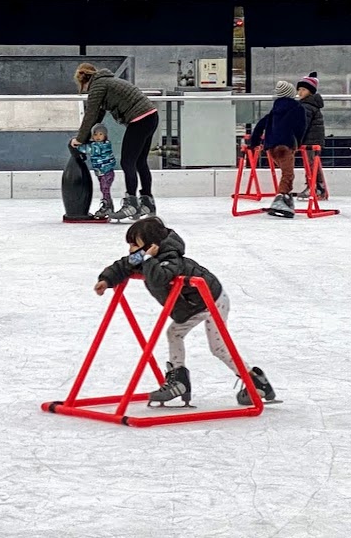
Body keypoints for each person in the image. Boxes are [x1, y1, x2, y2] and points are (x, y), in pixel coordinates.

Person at [93, 217, 275, 407]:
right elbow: (124, 265)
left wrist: (147, 259)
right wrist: (107, 280)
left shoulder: (171, 258)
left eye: (134, 244)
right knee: (174, 333)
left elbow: (158, 278)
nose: (130, 249)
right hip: (191, 306)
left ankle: (255, 380)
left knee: (218, 348)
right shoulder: (145, 257)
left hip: (212, 301)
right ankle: (179, 379)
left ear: (151, 246)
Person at [71, 63, 158, 221]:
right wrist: (88, 135)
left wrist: (79, 139)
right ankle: (147, 202)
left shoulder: (97, 86)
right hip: (151, 116)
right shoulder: (107, 82)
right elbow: (98, 114)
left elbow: (90, 114)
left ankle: (131, 204)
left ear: (84, 80)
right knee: (140, 162)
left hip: (139, 119)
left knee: (127, 162)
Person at [248, 80, 308, 218]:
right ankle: (281, 199)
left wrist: (254, 143)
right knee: (288, 174)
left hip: (271, 147)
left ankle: (286, 198)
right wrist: (298, 143)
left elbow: (259, 126)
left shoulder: (274, 110)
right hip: (286, 145)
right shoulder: (297, 108)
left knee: (285, 172)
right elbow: (300, 127)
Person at [296, 71, 328, 200]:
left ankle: (314, 186)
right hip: (313, 140)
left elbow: (303, 125)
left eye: (303, 89)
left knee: (310, 165)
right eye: (299, 89)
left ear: (310, 91)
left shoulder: (306, 106)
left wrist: (297, 139)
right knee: (313, 164)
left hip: (310, 141)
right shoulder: (310, 105)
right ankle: (318, 186)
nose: (300, 92)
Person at [78, 122, 117, 219]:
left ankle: (107, 206)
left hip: (106, 171)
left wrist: (77, 145)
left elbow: (88, 149)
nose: (98, 137)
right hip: (101, 171)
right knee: (104, 189)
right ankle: (109, 206)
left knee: (105, 188)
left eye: (100, 134)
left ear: (105, 135)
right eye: (95, 134)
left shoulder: (102, 146)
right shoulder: (96, 144)